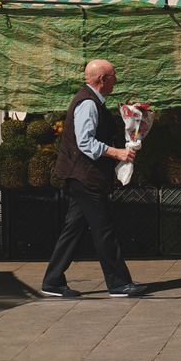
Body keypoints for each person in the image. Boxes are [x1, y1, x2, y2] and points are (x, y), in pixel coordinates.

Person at [41, 59, 146, 299]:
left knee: (73, 229)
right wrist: (117, 152)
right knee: (103, 229)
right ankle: (119, 283)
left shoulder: (93, 101)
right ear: (102, 79)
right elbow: (85, 142)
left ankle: (52, 281)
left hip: (82, 176)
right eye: (113, 76)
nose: (116, 81)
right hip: (85, 176)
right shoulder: (88, 103)